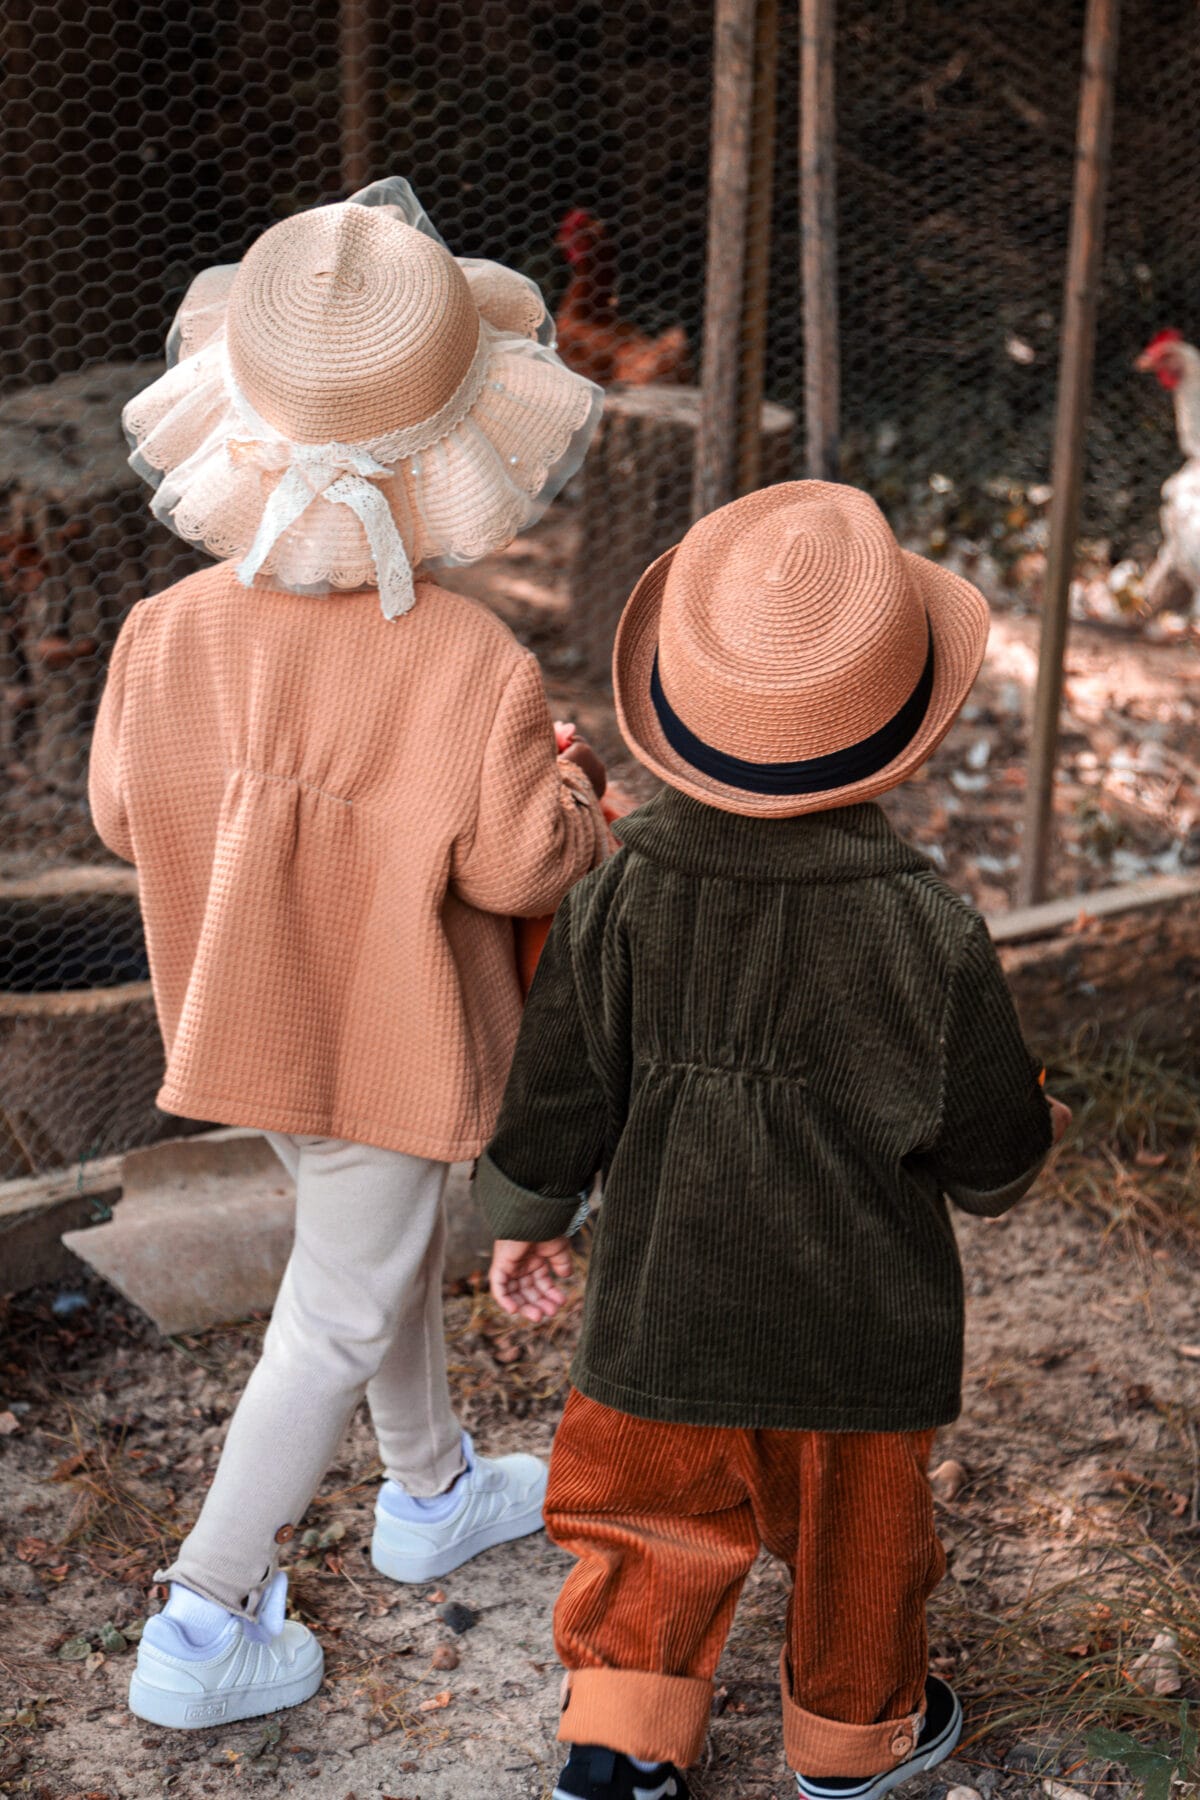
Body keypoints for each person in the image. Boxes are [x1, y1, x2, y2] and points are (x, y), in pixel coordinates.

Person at [89, 177, 609, 1731]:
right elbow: (524, 860)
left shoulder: (164, 629)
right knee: (336, 1305)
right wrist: (581, 795)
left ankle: (432, 1487)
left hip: (246, 1017)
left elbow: (124, 817)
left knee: (363, 1257)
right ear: (461, 441)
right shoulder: (467, 661)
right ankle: (202, 1612)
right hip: (385, 1039)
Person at [475, 482, 1071, 1800]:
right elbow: (988, 1148)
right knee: (863, 1535)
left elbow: (559, 1078)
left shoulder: (620, 888)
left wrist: (523, 1209)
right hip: (862, 1328)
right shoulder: (931, 929)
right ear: (904, 729)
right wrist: (1029, 1138)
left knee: (641, 1517)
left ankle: (623, 1742)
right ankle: (853, 1734)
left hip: (659, 1309)